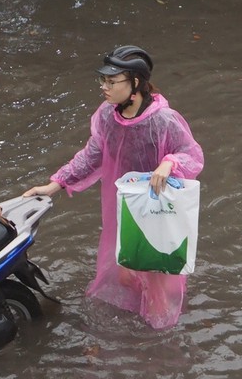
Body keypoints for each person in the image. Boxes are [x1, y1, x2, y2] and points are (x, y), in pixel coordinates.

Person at [22, 45, 205, 330]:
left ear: (135, 84)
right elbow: (92, 155)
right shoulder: (109, 116)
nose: (104, 88)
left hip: (157, 207)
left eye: (111, 81)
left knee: (154, 272)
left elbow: (192, 156)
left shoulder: (163, 120)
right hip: (123, 203)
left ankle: (157, 339)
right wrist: (54, 184)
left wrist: (169, 163)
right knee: (123, 270)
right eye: (102, 81)